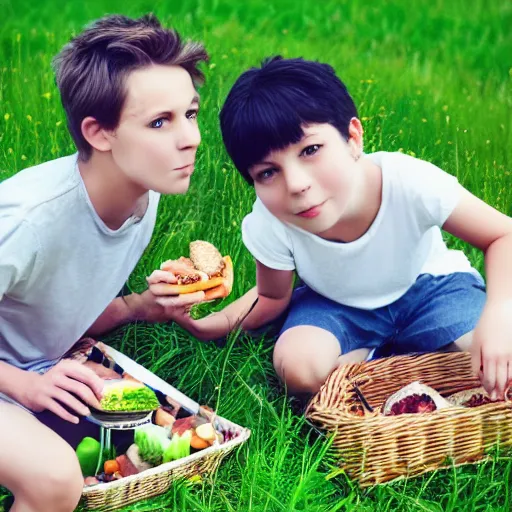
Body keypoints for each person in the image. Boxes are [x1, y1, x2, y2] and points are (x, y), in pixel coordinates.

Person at [156, 56, 512, 404]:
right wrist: (210, 325)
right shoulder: (272, 219)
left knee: (488, 359)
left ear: (353, 137)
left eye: (310, 150)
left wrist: (499, 315)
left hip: (429, 288)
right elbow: (272, 298)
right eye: (267, 172)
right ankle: (394, 361)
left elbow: (501, 235)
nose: (296, 184)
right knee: (297, 368)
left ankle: (375, 365)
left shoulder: (409, 182)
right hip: (334, 301)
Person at [0, 14, 208, 512]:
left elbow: (52, 309)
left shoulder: (144, 194)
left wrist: (140, 306)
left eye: (191, 114)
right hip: (14, 379)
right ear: (99, 133)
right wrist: (25, 385)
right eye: (160, 122)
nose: (190, 139)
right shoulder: (26, 222)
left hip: (40, 368)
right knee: (56, 482)